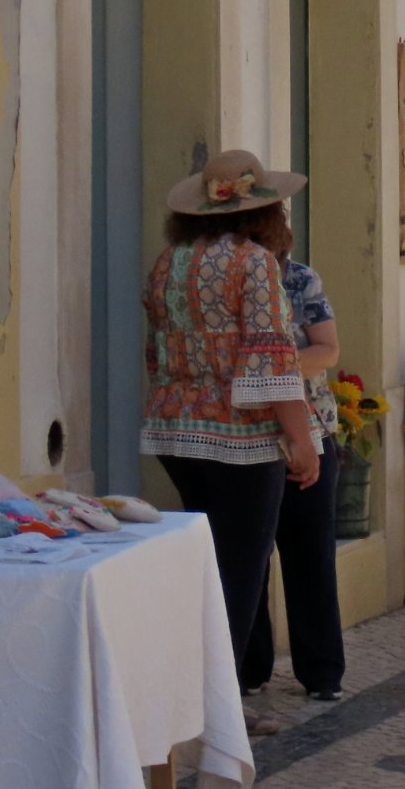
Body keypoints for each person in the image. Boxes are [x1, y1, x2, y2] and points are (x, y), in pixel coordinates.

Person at [142, 150, 321, 737]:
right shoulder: (253, 264)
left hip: (175, 428)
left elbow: (157, 353)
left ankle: (190, 698)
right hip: (240, 436)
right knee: (238, 573)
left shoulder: (170, 263)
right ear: (264, 213)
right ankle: (219, 713)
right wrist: (301, 440)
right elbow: (272, 357)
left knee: (203, 568)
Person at [239, 233, 347, 702]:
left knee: (309, 553)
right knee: (248, 557)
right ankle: (249, 666)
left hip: (307, 427)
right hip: (243, 432)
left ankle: (321, 671)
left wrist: (278, 366)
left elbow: (328, 348)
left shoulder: (299, 279)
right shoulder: (227, 278)